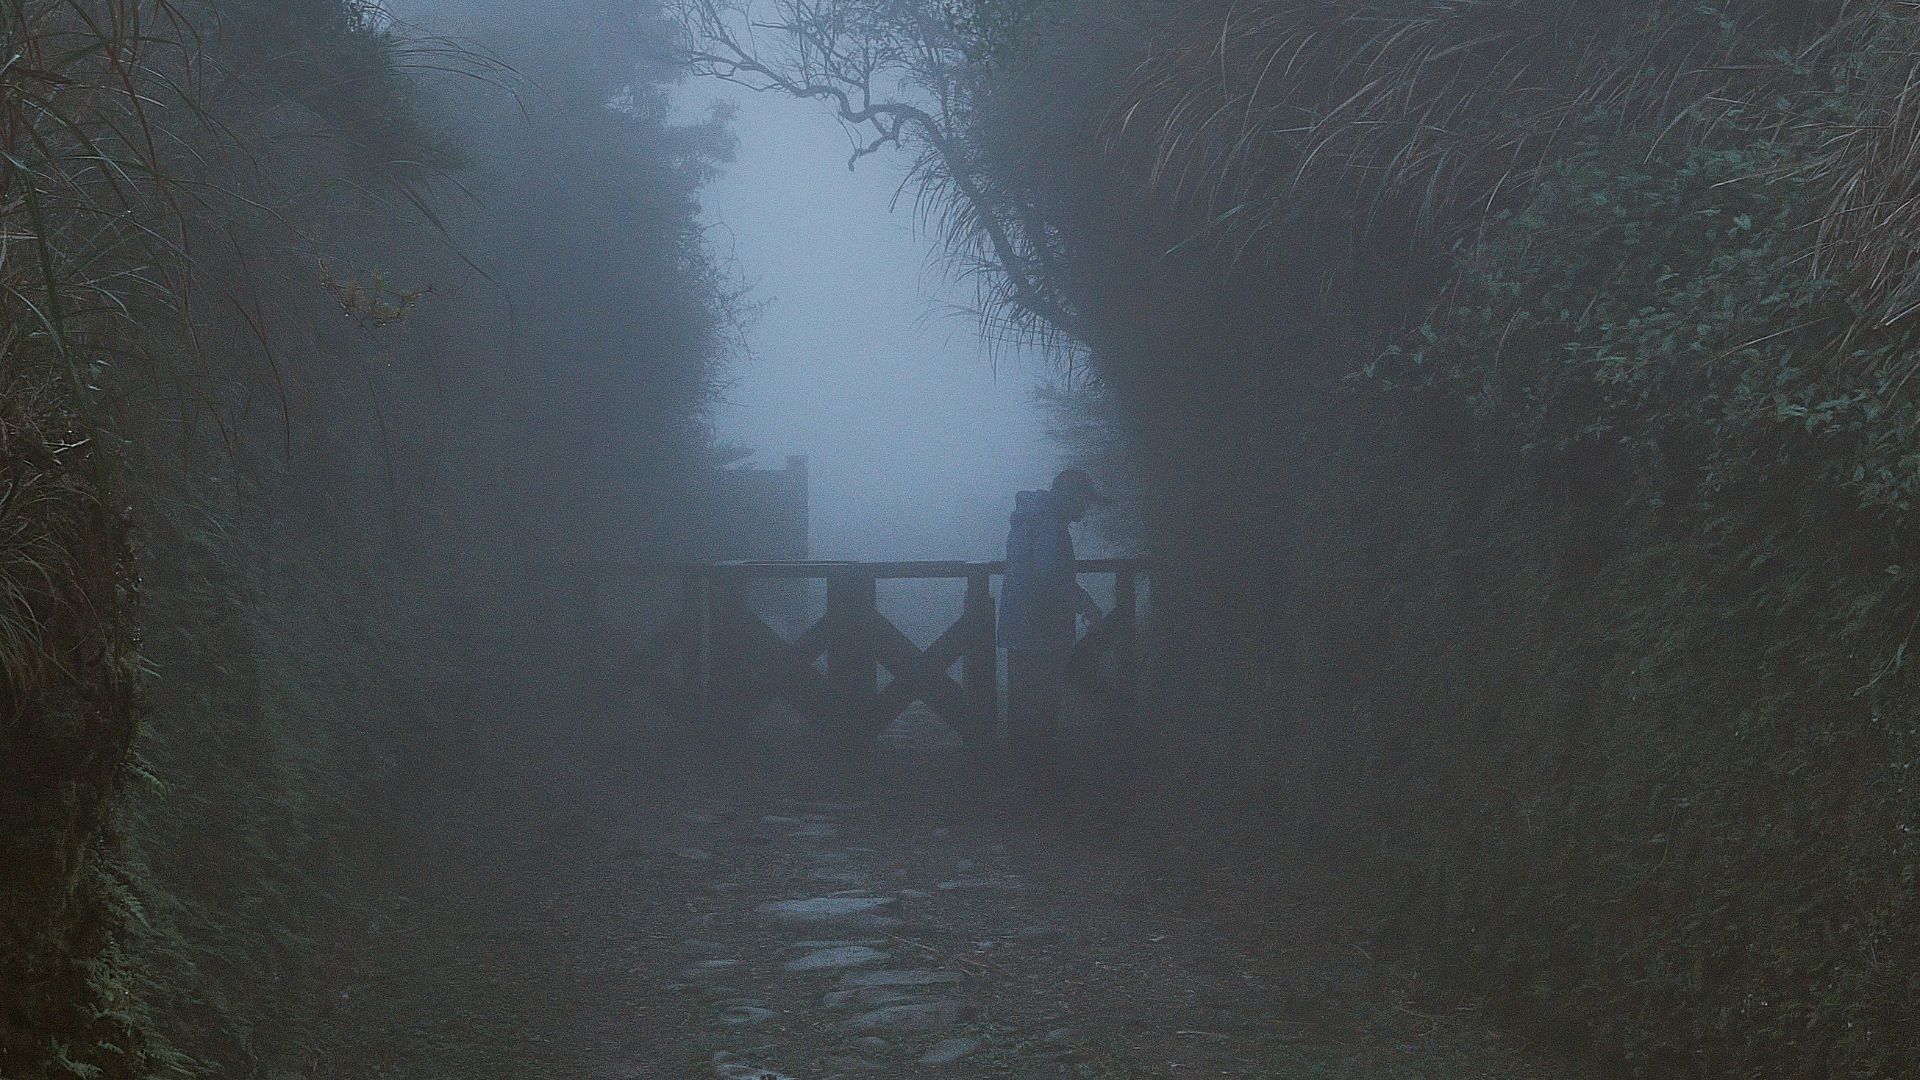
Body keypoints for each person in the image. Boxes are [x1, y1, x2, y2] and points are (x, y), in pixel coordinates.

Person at [998, 468, 1111, 754]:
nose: (1086, 508)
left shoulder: (1031, 518)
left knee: (1024, 710)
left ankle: (1023, 777)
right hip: (1043, 629)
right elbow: (1050, 576)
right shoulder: (1050, 523)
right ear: (1070, 494)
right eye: (1084, 500)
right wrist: (1086, 605)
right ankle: (1038, 780)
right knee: (1041, 710)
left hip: (1022, 625)